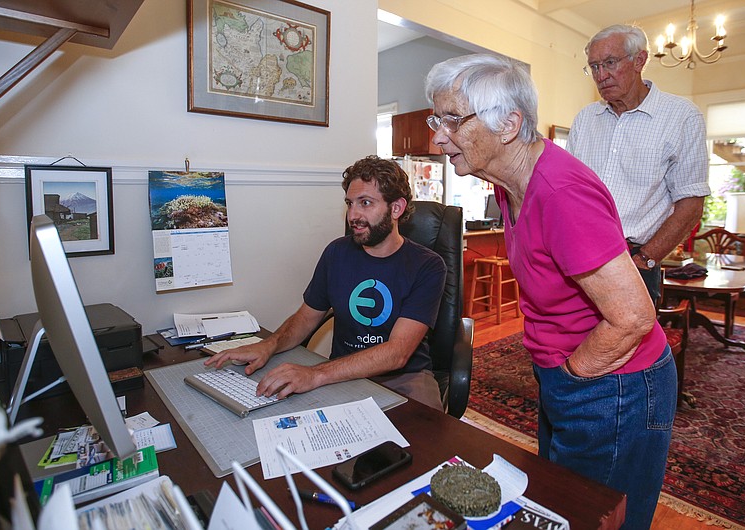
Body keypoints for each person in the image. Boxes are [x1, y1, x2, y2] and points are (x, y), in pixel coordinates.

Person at [425, 53, 675, 530]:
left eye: (452, 120)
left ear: (508, 125)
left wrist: (572, 378)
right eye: (438, 120)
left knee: (594, 518)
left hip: (613, 385)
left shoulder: (561, 193)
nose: (439, 136)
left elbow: (633, 317)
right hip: (573, 374)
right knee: (561, 507)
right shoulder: (508, 183)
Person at [206, 155, 446, 411]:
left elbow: (397, 352)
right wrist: (269, 345)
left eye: (365, 203)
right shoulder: (336, 253)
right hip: (341, 374)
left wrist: (315, 374)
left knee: (423, 447)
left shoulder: (427, 265)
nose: (353, 215)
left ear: (396, 208)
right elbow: (306, 318)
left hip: (406, 379)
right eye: (350, 203)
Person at [567, 24, 710, 303]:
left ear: (640, 61)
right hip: (579, 256)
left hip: (635, 258)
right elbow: (568, 190)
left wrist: (645, 259)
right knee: (575, 342)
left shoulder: (681, 117)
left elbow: (691, 205)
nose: (601, 75)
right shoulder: (585, 119)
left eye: (609, 63)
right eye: (594, 66)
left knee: (631, 346)